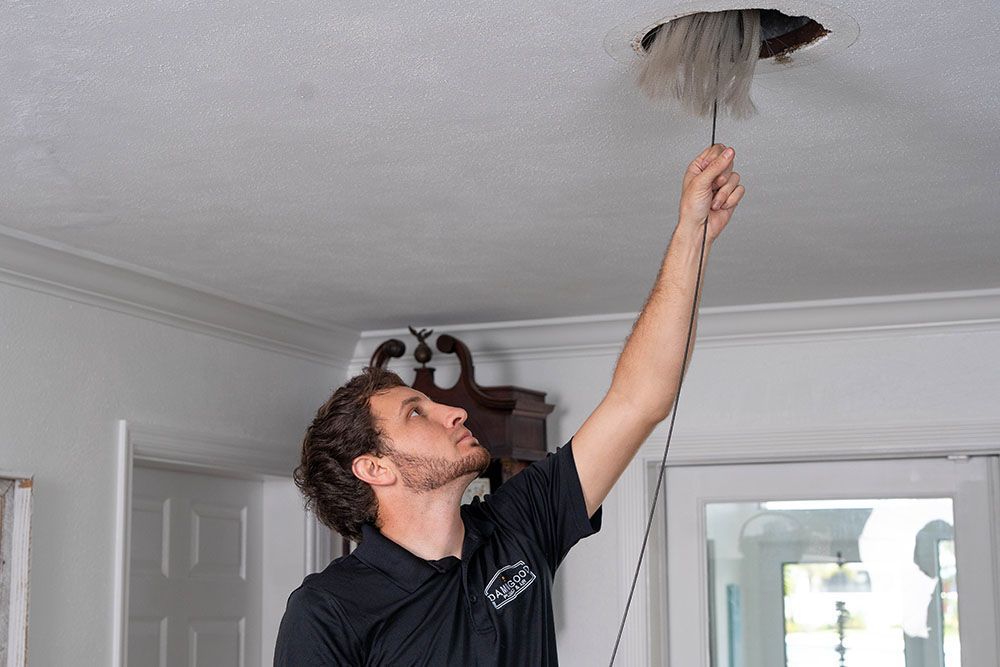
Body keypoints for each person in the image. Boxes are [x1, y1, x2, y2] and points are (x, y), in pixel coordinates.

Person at [274, 144, 746, 665]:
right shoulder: (327, 609)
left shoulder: (518, 523)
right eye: (416, 412)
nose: (454, 412)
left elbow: (640, 400)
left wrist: (691, 237)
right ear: (373, 466)